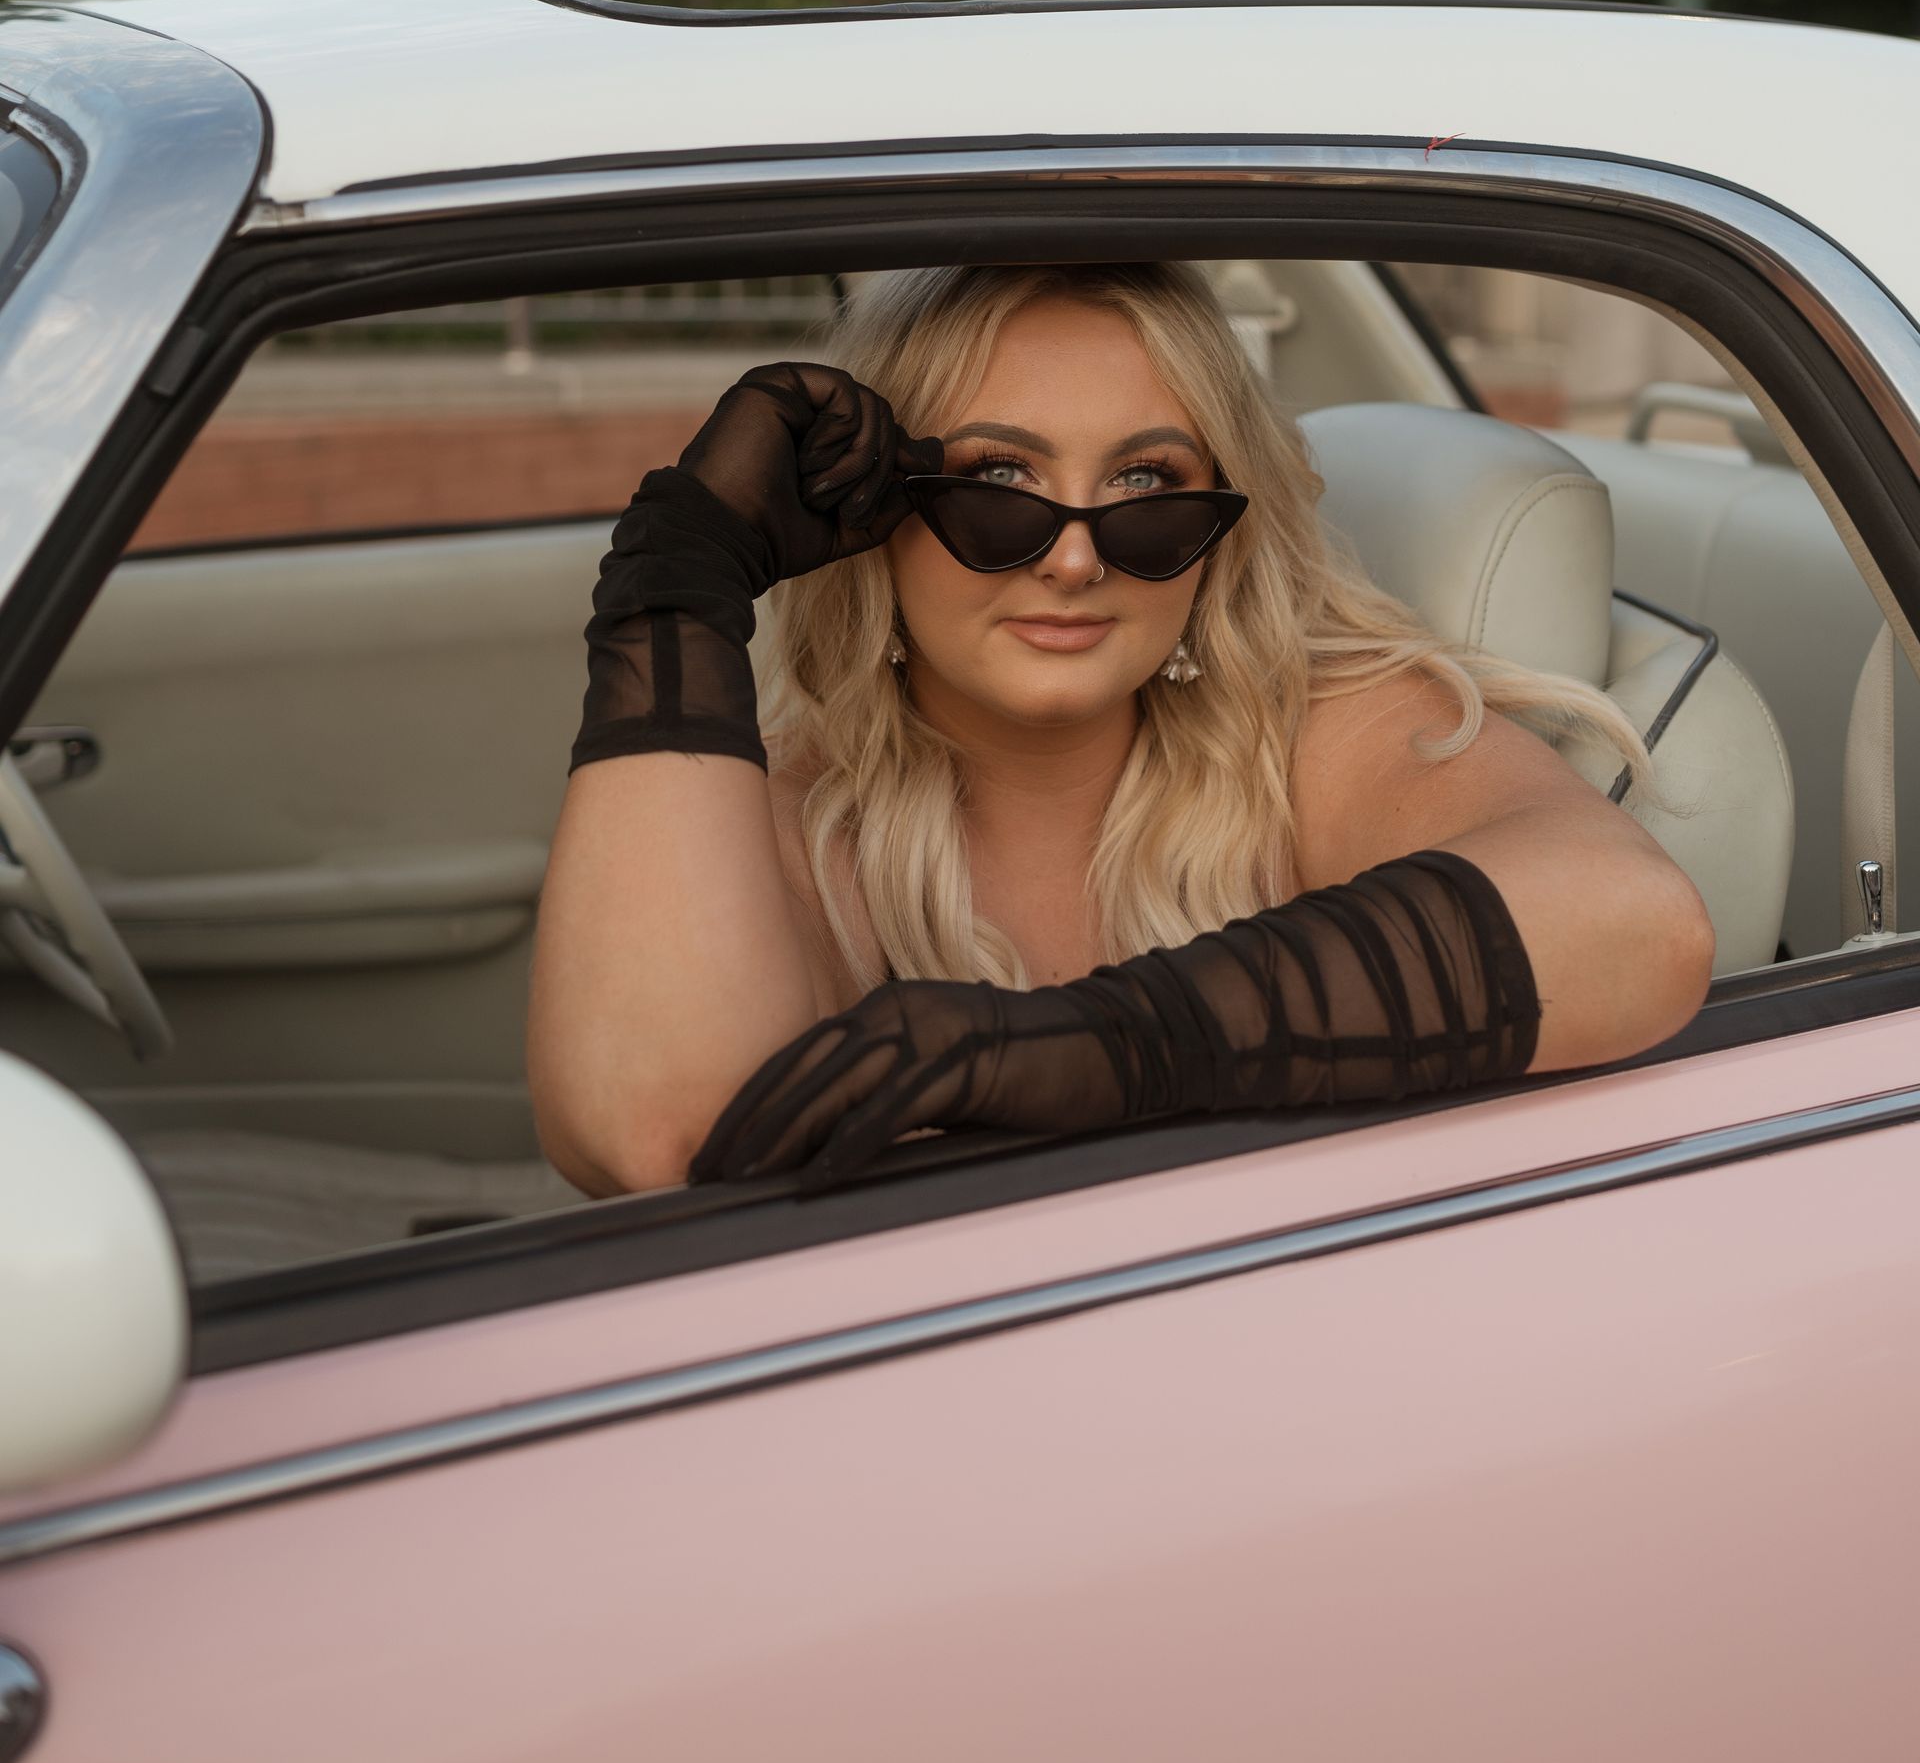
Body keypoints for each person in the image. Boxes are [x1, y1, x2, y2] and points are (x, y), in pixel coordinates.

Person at [529, 262, 1713, 1194]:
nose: (1077, 556)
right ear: (876, 514)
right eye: (1000, 481)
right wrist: (681, 578)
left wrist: (1091, 1048)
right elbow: (658, 1132)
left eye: (1146, 486)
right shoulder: (797, 818)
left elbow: (1637, 929)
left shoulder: (1309, 729)